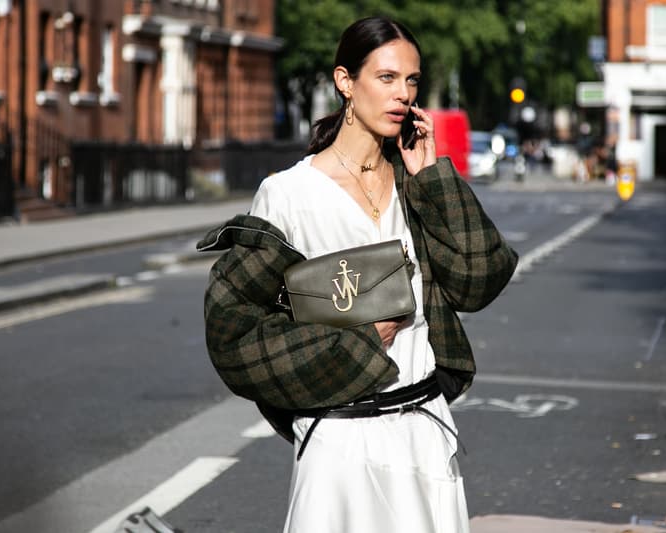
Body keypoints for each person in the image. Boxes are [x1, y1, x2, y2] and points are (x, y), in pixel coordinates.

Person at [197, 16, 517, 533]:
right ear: (345, 81)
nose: (403, 95)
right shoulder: (289, 194)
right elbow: (232, 333)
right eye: (386, 78)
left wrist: (435, 177)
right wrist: (355, 343)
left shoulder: (415, 181)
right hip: (339, 442)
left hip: (424, 433)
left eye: (411, 81)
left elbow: (481, 279)